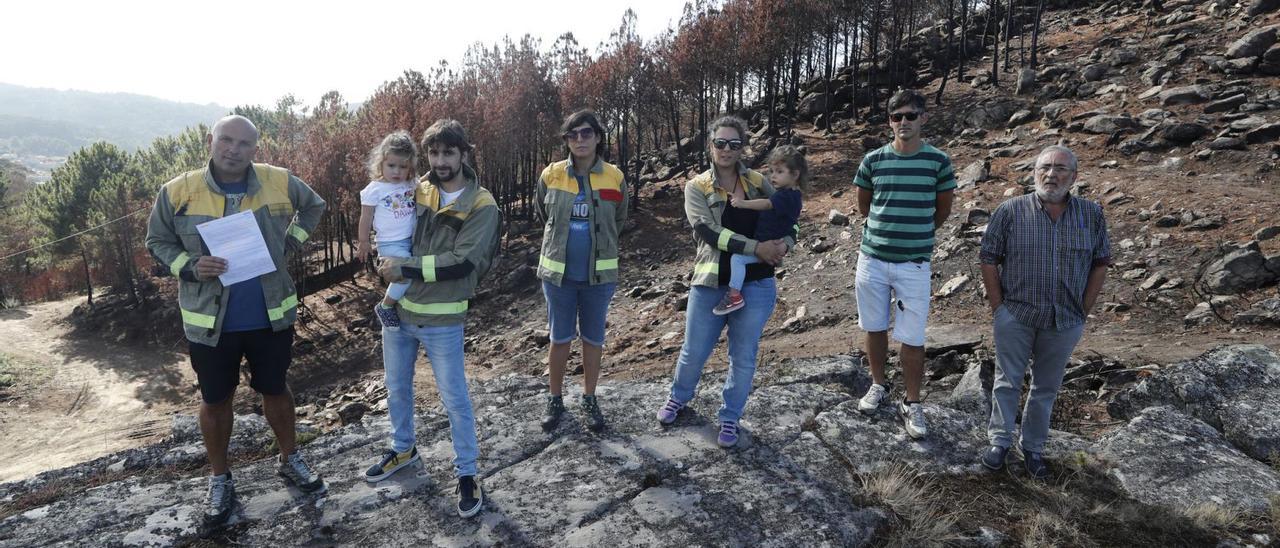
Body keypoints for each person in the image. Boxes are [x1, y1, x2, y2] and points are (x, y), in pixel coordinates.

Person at [144, 115, 327, 528]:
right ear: (211, 141)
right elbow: (156, 240)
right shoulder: (177, 191)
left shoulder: (278, 181)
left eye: (244, 143)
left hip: (270, 315)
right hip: (211, 322)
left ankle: (290, 458)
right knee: (215, 400)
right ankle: (220, 478)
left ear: (255, 149)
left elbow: (314, 206)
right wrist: (190, 266)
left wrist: (287, 246)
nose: (233, 149)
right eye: (226, 140)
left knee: (276, 389)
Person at [370, 119, 501, 519]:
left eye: (449, 152)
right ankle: (403, 448)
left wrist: (404, 268)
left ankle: (467, 473)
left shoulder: (482, 205)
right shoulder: (417, 188)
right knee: (396, 388)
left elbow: (462, 264)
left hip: (443, 319)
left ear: (464, 153)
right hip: (399, 314)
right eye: (434, 152)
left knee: (454, 398)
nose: (440, 161)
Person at [654, 115, 791, 449]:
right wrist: (756, 247)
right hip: (710, 281)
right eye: (720, 143)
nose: (726, 150)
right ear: (710, 146)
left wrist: (785, 244)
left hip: (756, 284)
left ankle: (730, 417)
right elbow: (707, 231)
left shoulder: (760, 182)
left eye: (734, 144)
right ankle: (679, 397)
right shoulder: (696, 186)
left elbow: (790, 218)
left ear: (743, 147)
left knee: (743, 356)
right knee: (694, 351)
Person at [977, 145, 1110, 479]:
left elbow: (1101, 262)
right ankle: (1000, 442)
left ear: (1074, 177)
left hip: (1065, 319)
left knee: (1046, 387)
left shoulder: (1091, 214)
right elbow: (989, 258)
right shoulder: (1010, 211)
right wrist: (999, 308)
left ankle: (1033, 450)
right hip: (1016, 315)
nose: (1051, 175)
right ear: (1034, 172)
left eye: (1060, 169)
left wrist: (1084, 310)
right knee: (1007, 380)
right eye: (1044, 168)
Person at [853, 89, 955, 440]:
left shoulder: (938, 162)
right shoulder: (873, 160)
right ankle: (878, 385)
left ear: (923, 118)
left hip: (913, 263)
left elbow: (942, 210)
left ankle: (912, 403)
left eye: (911, 115)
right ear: (889, 122)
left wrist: (915, 236)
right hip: (873, 259)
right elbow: (865, 207)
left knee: (912, 336)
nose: (903, 122)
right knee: (875, 326)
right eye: (897, 117)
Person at [534, 110, 629, 433]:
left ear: (599, 137)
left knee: (593, 338)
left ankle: (589, 398)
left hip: (598, 278)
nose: (579, 140)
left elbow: (619, 219)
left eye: (586, 133)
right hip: (558, 277)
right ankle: (555, 399)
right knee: (559, 338)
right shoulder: (551, 174)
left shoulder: (614, 176)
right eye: (572, 135)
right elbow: (542, 212)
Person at [714, 145, 808, 315]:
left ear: (795, 174)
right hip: (770, 243)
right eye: (771, 171)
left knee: (737, 259)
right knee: (739, 260)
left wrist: (743, 203)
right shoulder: (793, 195)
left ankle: (734, 295)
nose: (773, 176)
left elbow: (766, 204)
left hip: (767, 244)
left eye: (779, 172)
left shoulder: (784, 195)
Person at [358, 131, 419, 331]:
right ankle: (385, 306)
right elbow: (365, 217)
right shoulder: (375, 189)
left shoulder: (410, 183)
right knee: (407, 274)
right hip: (389, 243)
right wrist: (364, 242)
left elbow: (425, 181)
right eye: (391, 165)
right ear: (381, 163)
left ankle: (404, 307)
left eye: (403, 167)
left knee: (415, 273)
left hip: (411, 240)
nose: (397, 171)